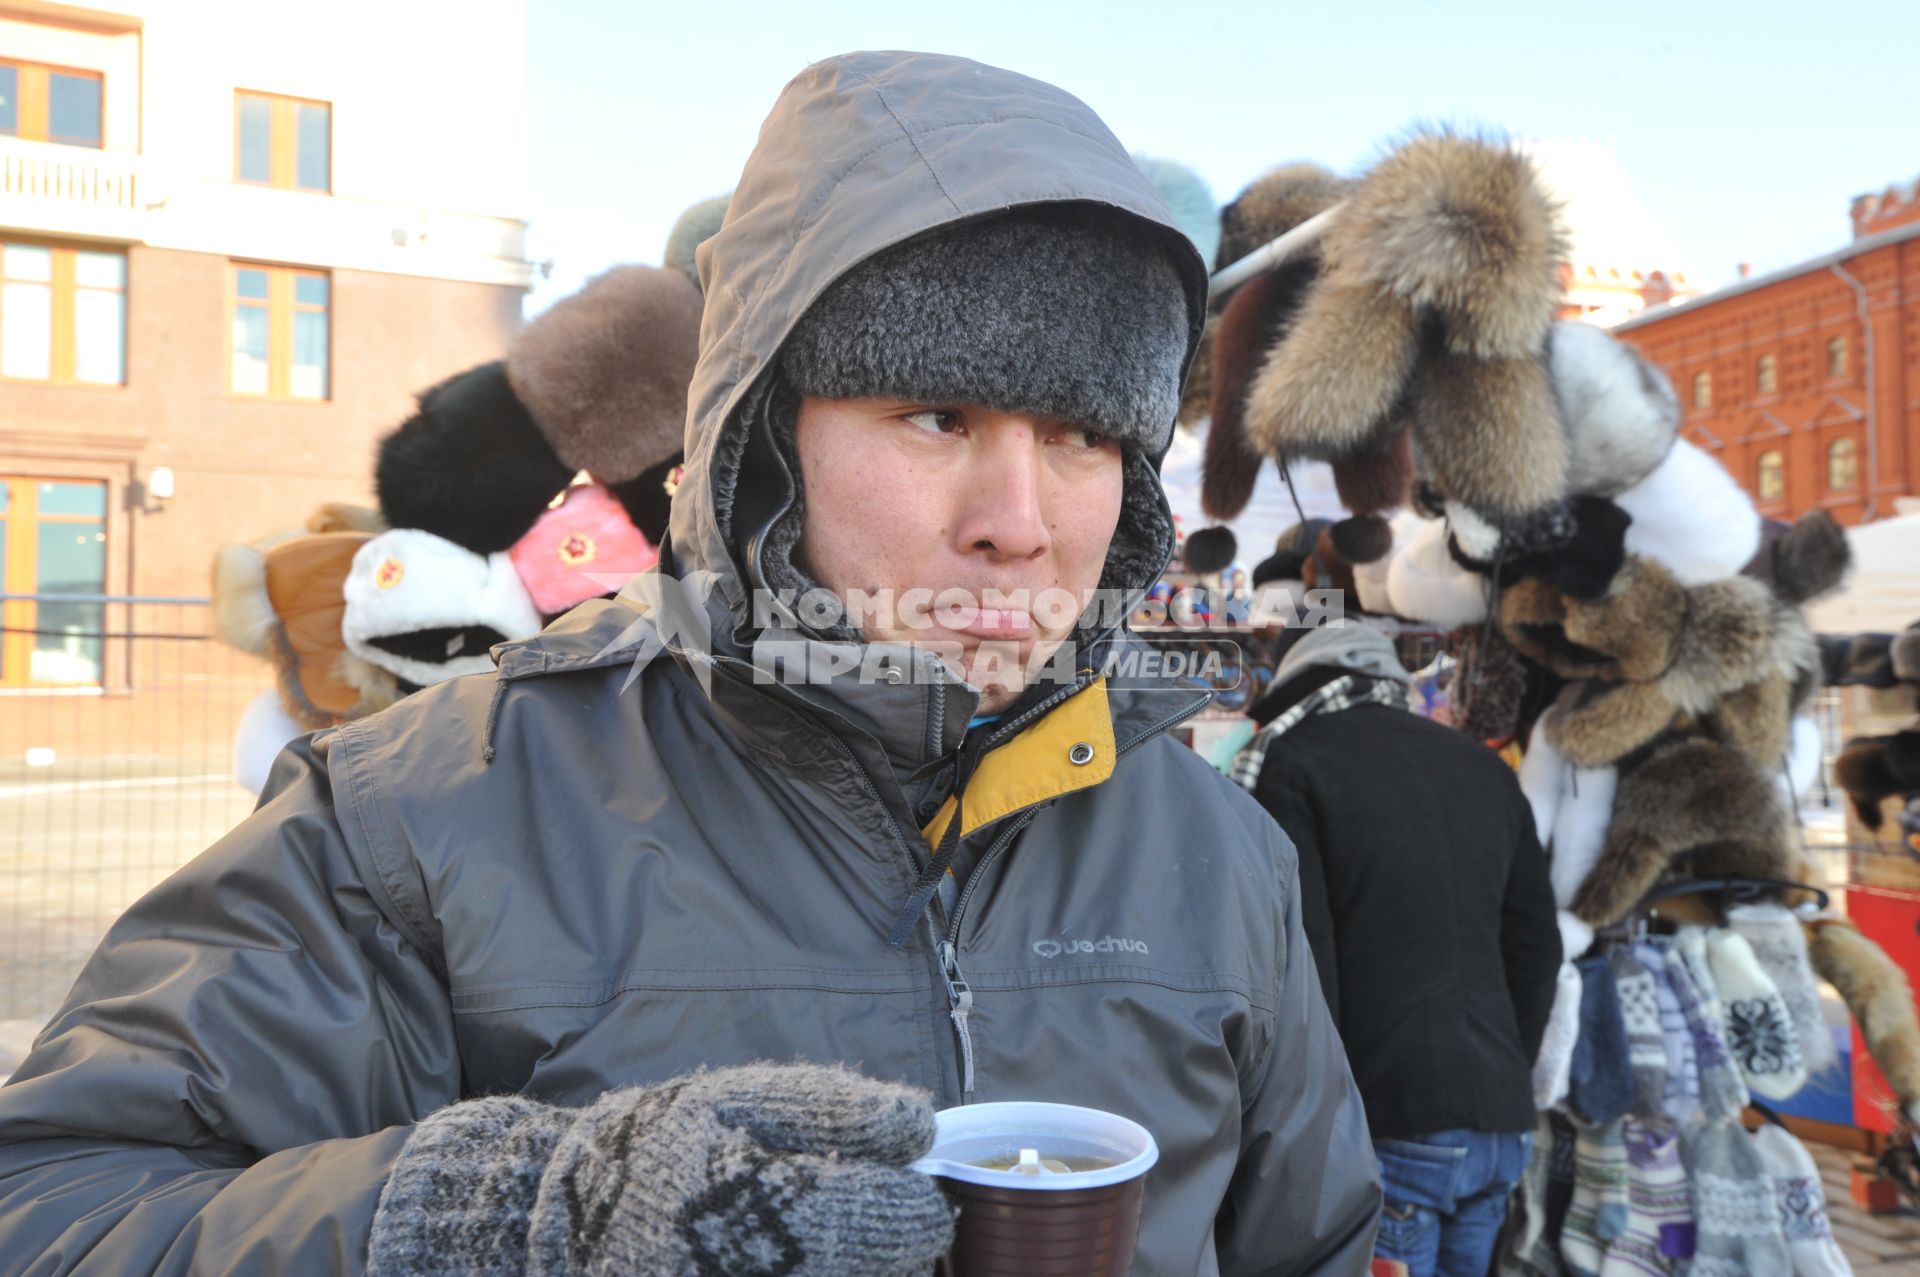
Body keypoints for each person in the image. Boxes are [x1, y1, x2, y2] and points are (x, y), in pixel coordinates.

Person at [0, 51, 1380, 1275]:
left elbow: (1313, 1240)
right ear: (756, 449)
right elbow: (51, 1203)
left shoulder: (1222, 856)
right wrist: (503, 1220)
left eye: (1082, 434)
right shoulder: (418, 819)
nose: (1020, 524)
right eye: (938, 414)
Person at [1232, 623, 1560, 1277]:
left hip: (1386, 1118)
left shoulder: (1291, 761)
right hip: (1501, 1119)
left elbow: (1302, 958)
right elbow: (1537, 948)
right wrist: (1498, 1073)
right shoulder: (1484, 767)